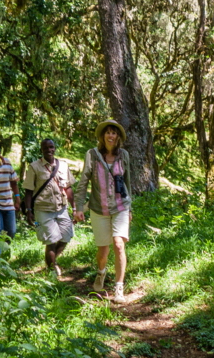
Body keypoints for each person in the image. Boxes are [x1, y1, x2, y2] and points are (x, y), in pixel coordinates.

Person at [73, 119, 132, 304]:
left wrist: (131, 208)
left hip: (121, 206)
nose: (111, 135)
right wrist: (79, 207)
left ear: (118, 137)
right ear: (102, 136)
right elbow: (83, 181)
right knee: (103, 252)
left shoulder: (124, 155)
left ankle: (119, 288)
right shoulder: (92, 154)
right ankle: (101, 272)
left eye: (114, 132)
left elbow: (128, 182)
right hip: (99, 208)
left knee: (119, 244)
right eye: (107, 132)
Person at [23, 138, 75, 277]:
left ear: (55, 148)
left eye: (51, 147)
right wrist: (29, 211)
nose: (49, 150)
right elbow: (28, 191)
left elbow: (68, 188)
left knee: (66, 236)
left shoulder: (63, 165)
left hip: (61, 207)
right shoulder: (34, 167)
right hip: (43, 209)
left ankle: (52, 261)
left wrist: (75, 208)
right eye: (46, 148)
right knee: (51, 240)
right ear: (41, 150)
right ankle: (52, 270)